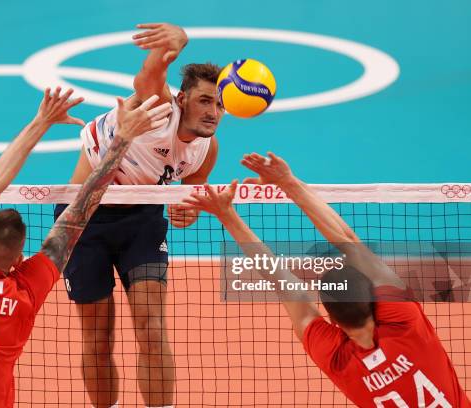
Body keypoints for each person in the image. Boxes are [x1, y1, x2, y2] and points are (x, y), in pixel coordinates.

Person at [0, 88, 171, 407]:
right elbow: (80, 210)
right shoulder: (24, 294)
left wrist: (41, 121)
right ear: (19, 260)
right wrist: (121, 140)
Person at [181, 152, 471, 408]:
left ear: (332, 319)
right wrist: (288, 183)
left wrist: (227, 215)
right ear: (373, 300)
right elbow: (348, 240)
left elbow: (284, 283)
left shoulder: (337, 358)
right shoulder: (403, 322)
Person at [55, 22, 225, 408]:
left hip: (142, 221)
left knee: (151, 327)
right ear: (182, 99)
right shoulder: (159, 110)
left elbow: (191, 186)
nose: (213, 112)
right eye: (204, 100)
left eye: (219, 104)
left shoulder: (206, 148)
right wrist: (174, 46)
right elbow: (150, 74)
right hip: (83, 219)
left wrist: (188, 209)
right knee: (97, 337)